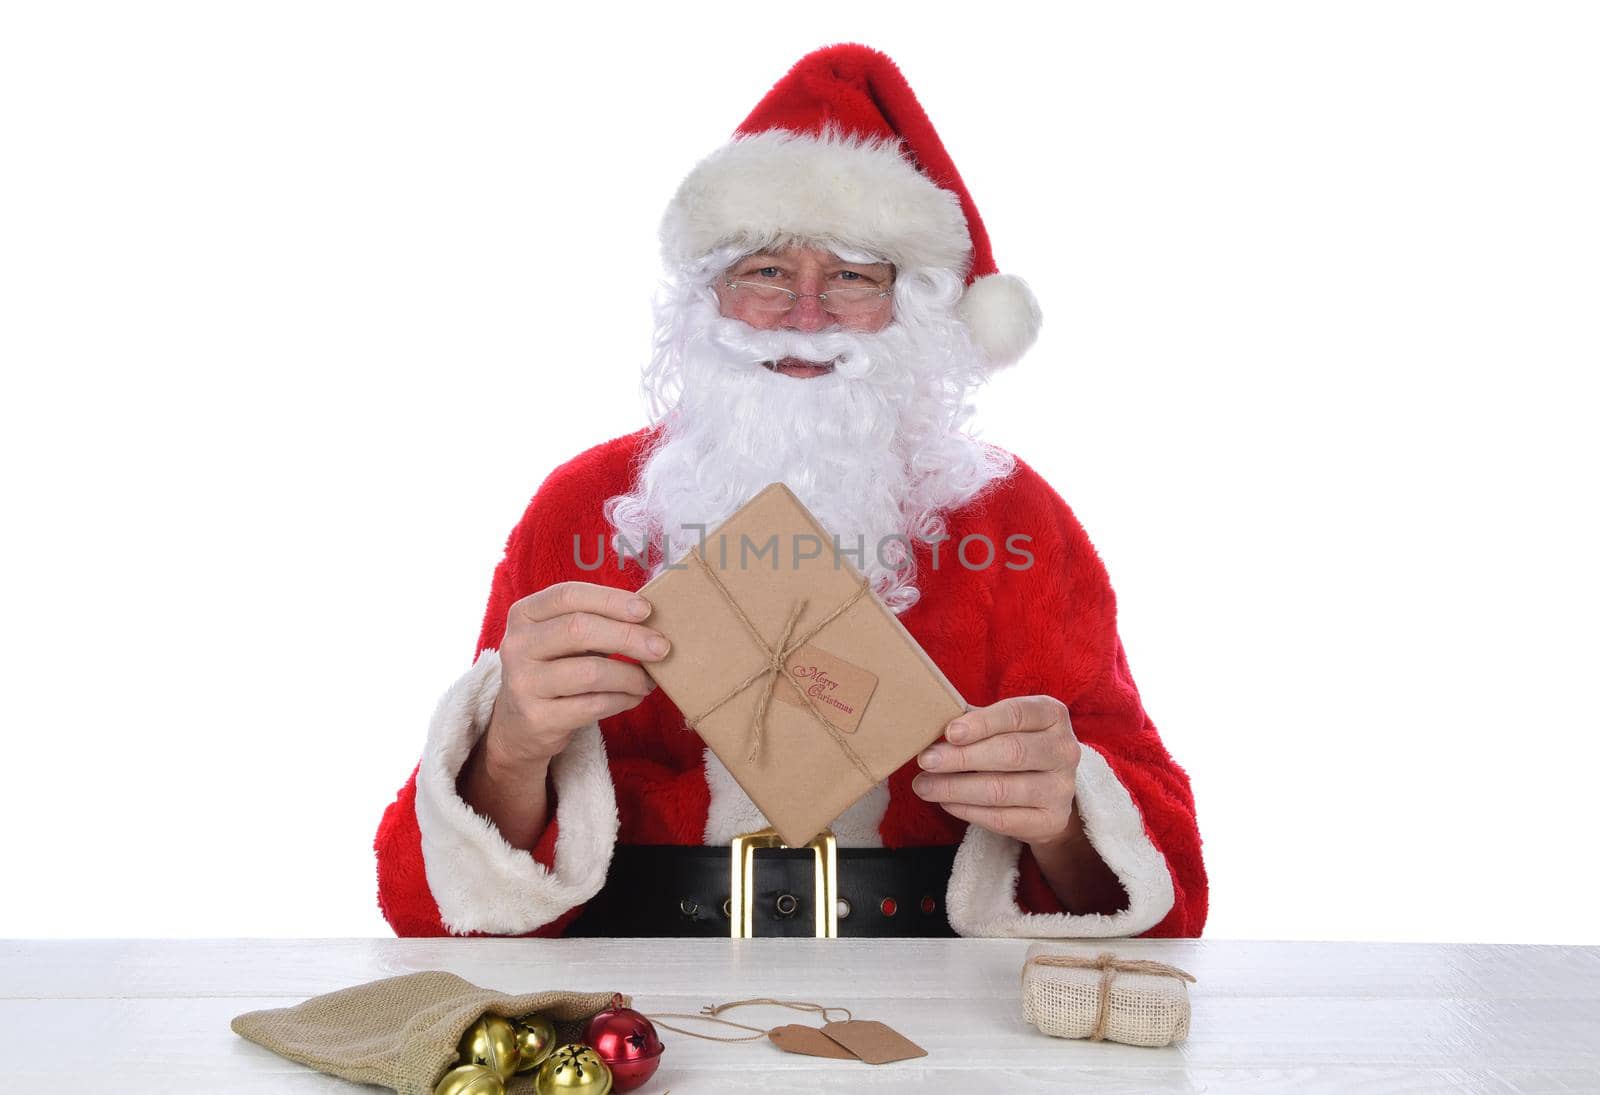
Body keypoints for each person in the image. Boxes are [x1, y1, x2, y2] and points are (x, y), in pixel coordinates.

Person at [374, 43, 1207, 939]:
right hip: (642, 991)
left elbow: (1170, 901)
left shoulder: (1011, 520)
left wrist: (1070, 813)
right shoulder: (584, 510)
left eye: (853, 275)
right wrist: (509, 746)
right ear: (708, 298)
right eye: (767, 270)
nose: (806, 314)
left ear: (915, 308)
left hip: (937, 1007)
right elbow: (431, 914)